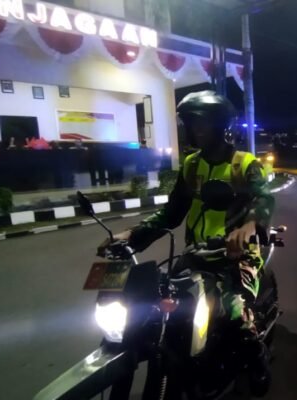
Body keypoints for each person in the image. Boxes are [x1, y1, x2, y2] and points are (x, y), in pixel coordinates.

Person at [101, 90, 274, 394]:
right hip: (196, 255)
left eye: (200, 123)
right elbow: (172, 212)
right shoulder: (192, 165)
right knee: (158, 311)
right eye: (190, 124)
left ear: (219, 125)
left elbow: (265, 198)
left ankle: (258, 360)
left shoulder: (244, 164)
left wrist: (250, 224)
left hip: (237, 257)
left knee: (238, 316)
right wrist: (133, 235)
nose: (194, 130)